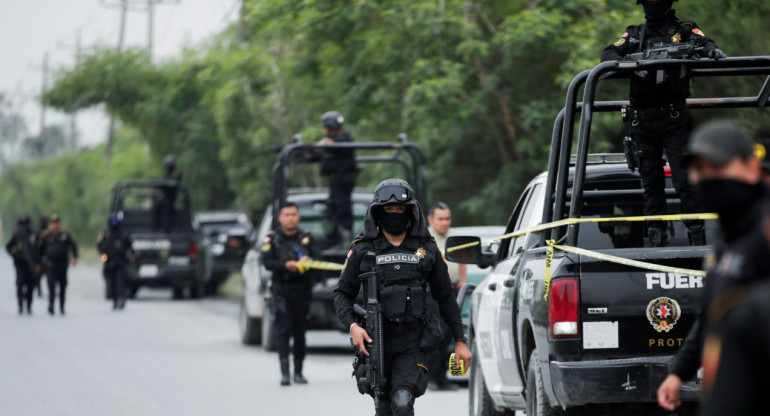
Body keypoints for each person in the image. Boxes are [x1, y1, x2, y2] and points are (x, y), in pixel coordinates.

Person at [656, 120, 770, 412]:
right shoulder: (726, 236)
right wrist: (678, 372)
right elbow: (710, 316)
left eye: (717, 167)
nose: (706, 177)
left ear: (752, 168)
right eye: (699, 169)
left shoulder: (765, 228)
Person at [333, 179, 472, 416]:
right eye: (389, 210)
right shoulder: (362, 249)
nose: (395, 214)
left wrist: (460, 341)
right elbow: (342, 294)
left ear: (410, 212)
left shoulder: (426, 249)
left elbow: (446, 297)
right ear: (378, 212)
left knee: (403, 401)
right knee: (385, 407)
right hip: (375, 340)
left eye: (400, 210)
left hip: (413, 339)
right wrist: (353, 326)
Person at [601, 0, 725, 247]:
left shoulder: (685, 30)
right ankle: (657, 236)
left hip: (674, 118)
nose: (652, 6)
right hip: (643, 120)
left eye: (657, 1)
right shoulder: (635, 35)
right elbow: (608, 54)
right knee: (651, 181)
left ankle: (697, 236)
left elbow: (705, 42)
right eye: (648, 2)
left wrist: (711, 50)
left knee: (684, 179)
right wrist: (632, 66)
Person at [261, 202, 316, 386]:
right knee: (283, 332)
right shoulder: (272, 239)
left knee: (300, 333)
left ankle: (298, 372)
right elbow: (267, 262)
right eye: (287, 214)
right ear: (280, 218)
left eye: (294, 214)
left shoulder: (307, 238)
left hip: (302, 292)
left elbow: (320, 259)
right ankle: (285, 373)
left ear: (298, 217)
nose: (290, 218)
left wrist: (309, 260)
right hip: (281, 292)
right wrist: (285, 265)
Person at [425, 202, 467, 391]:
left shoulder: (455, 238)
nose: (445, 223)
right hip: (431, 293)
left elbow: (462, 261)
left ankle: (443, 378)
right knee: (436, 335)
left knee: (449, 335)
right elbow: (418, 260)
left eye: (447, 218)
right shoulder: (423, 239)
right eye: (440, 219)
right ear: (431, 220)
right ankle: (431, 377)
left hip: (451, 291)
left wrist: (462, 281)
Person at [318, 111, 358, 244]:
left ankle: (347, 241)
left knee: (343, 210)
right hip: (336, 180)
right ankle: (335, 239)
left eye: (325, 127)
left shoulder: (343, 138)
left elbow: (337, 143)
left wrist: (325, 144)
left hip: (343, 180)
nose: (324, 130)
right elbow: (320, 152)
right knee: (332, 210)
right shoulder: (333, 141)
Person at [38, 214, 78, 315]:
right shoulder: (45, 236)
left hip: (62, 264)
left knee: (63, 286)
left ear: (59, 224)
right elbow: (40, 251)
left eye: (57, 223)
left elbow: (73, 246)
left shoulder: (65, 235)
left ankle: (61, 307)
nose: (55, 226)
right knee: (51, 286)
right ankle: (51, 306)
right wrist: (39, 263)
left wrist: (74, 257)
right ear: (50, 225)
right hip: (50, 265)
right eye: (53, 224)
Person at [96, 216, 133, 310]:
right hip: (109, 262)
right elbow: (99, 245)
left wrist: (129, 256)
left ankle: (121, 298)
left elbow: (129, 245)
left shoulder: (123, 233)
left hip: (121, 261)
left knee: (120, 281)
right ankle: (114, 300)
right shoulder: (105, 234)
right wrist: (103, 254)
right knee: (111, 282)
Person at [6, 215, 40, 315]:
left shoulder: (34, 234)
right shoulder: (16, 235)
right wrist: (15, 255)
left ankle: (29, 306)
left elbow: (39, 249)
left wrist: (38, 263)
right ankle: (20, 305)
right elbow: (8, 247)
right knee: (20, 284)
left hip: (31, 265)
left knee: (30, 285)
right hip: (20, 264)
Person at [156, 155, 182, 232]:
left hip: (171, 197)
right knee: (157, 206)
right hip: (166, 197)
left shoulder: (176, 173)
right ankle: (157, 226)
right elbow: (164, 185)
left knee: (167, 211)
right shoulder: (168, 174)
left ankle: (167, 229)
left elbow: (171, 184)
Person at [36, 216, 49, 298]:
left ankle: (40, 290)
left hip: (45, 256)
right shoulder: (38, 233)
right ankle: (39, 290)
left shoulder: (47, 233)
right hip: (40, 256)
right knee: (39, 275)